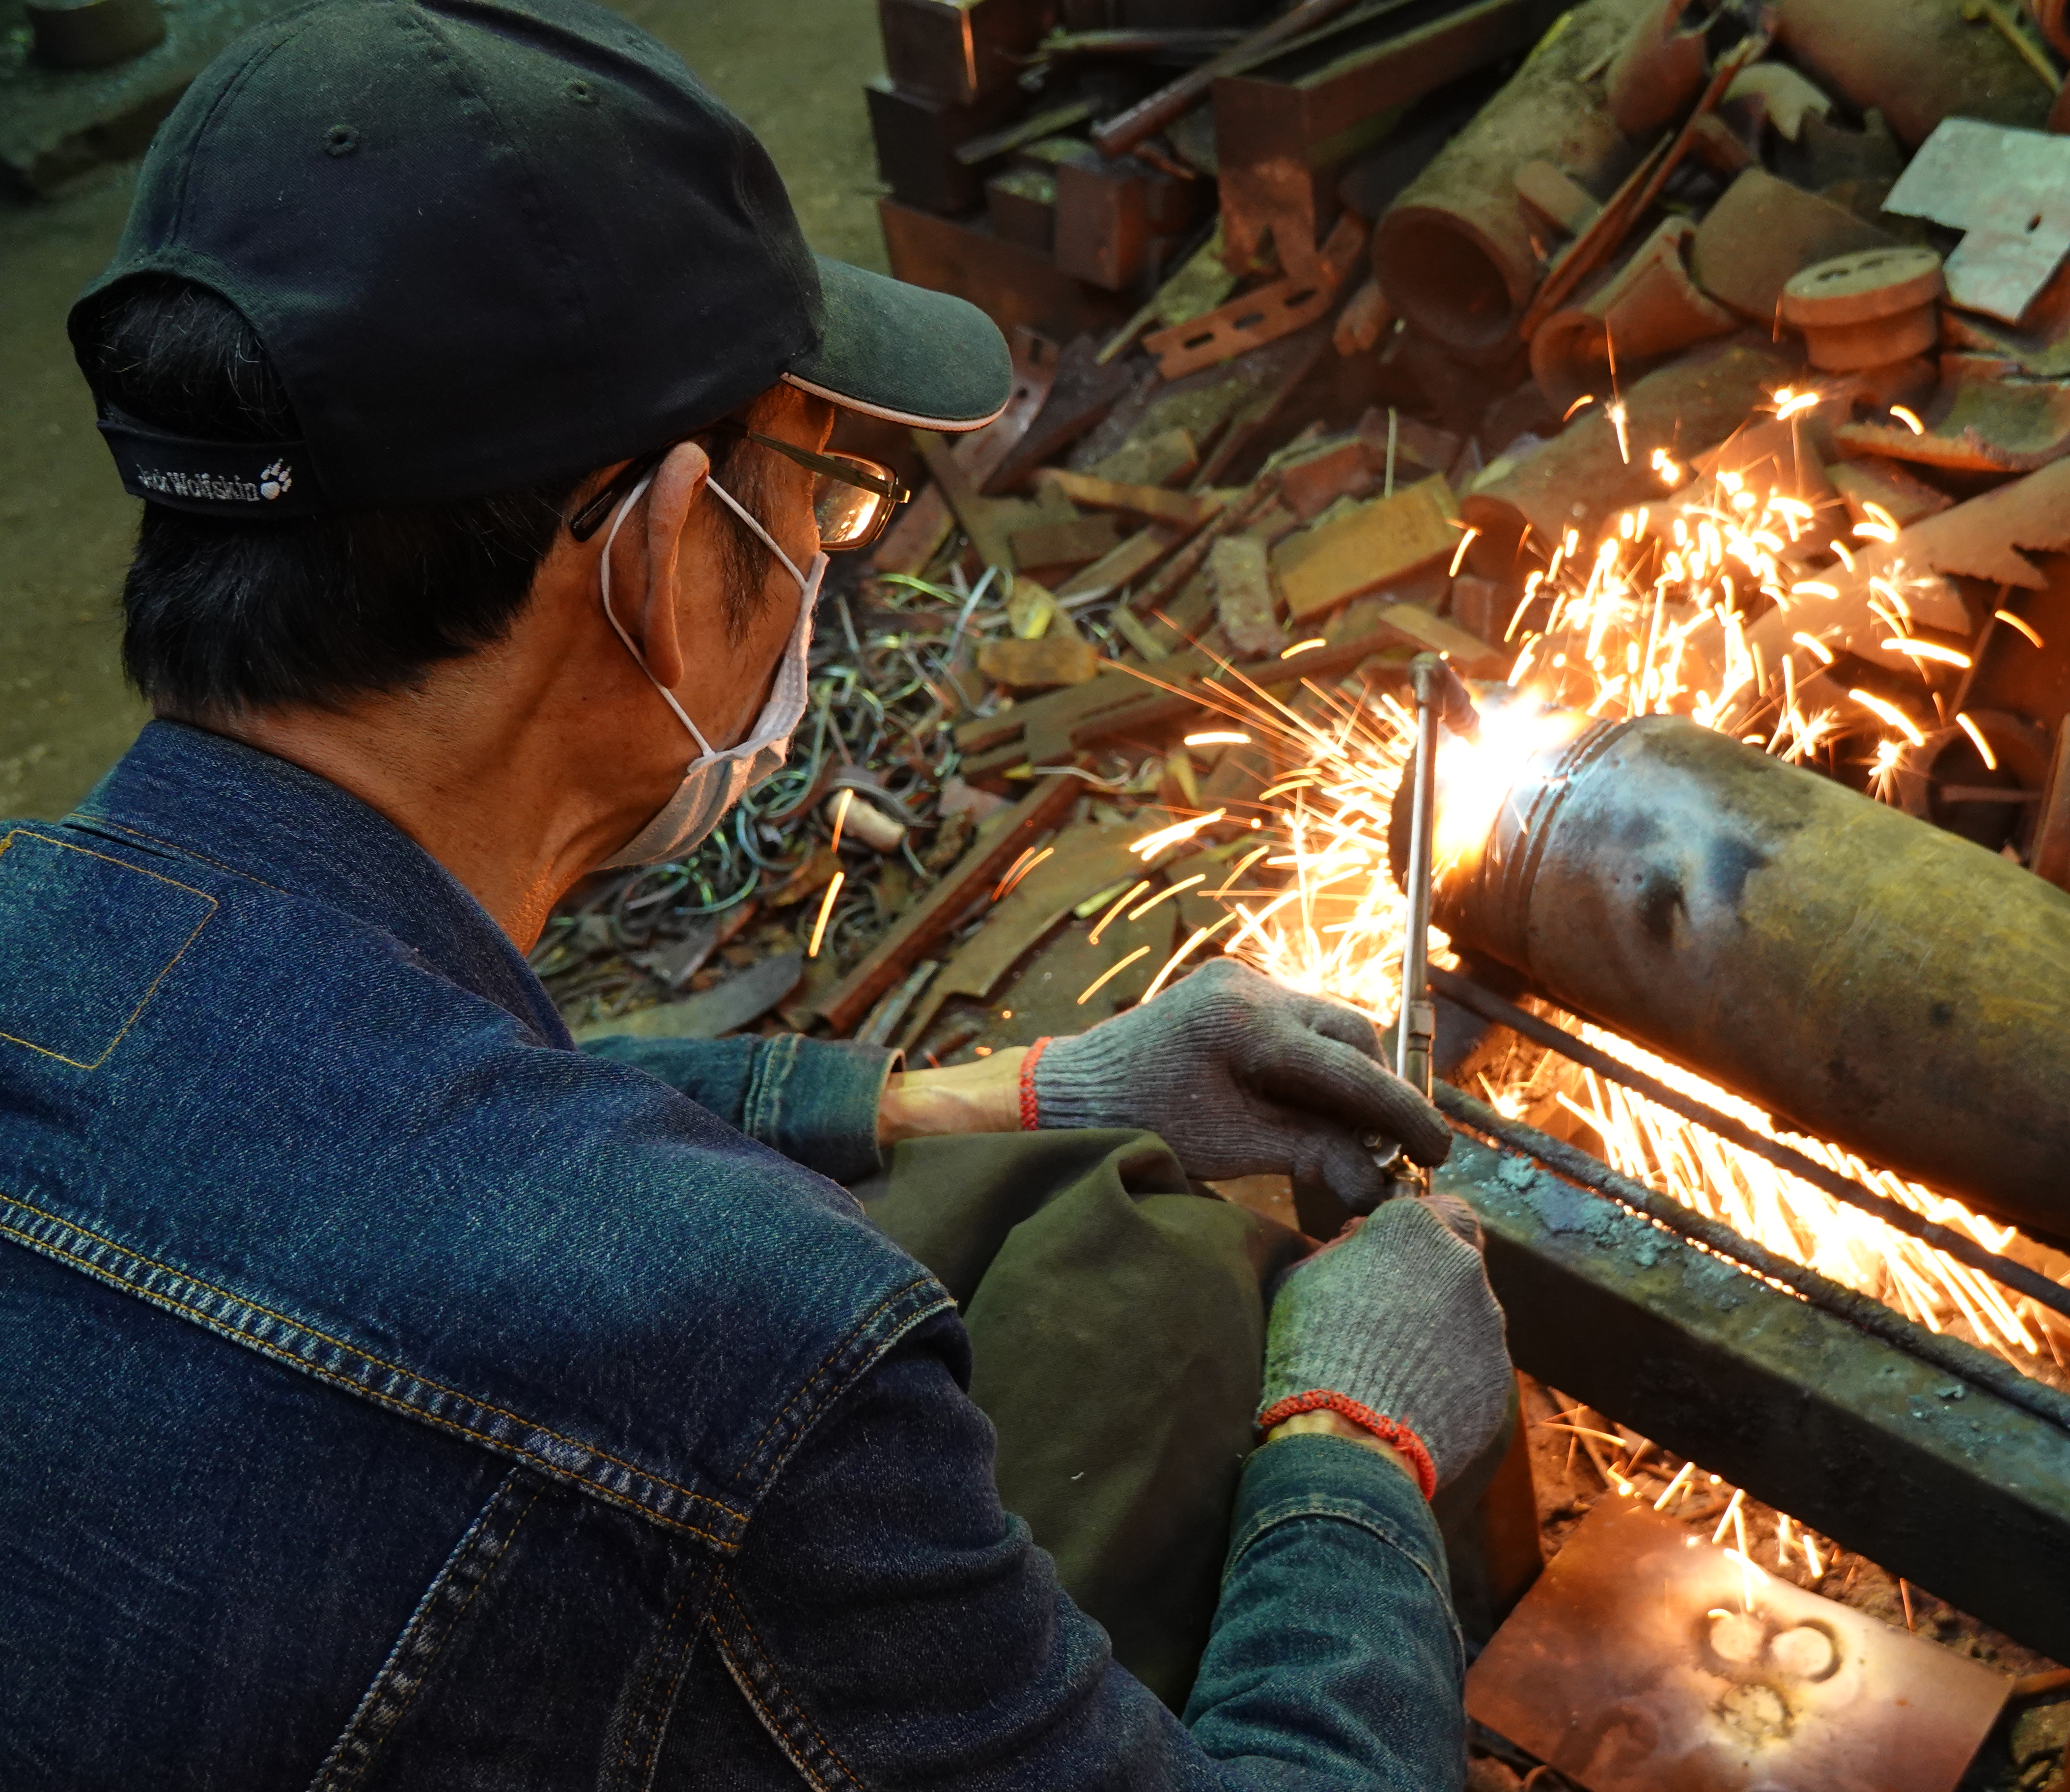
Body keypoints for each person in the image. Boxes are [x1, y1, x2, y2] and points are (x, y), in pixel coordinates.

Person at [0, 2, 1512, 1785]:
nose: (822, 564)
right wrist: (1359, 1448)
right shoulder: (732, 1361)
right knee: (1182, 1333)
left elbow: (355, 1097)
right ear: (653, 552)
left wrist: (1004, 1092)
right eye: (825, 492)